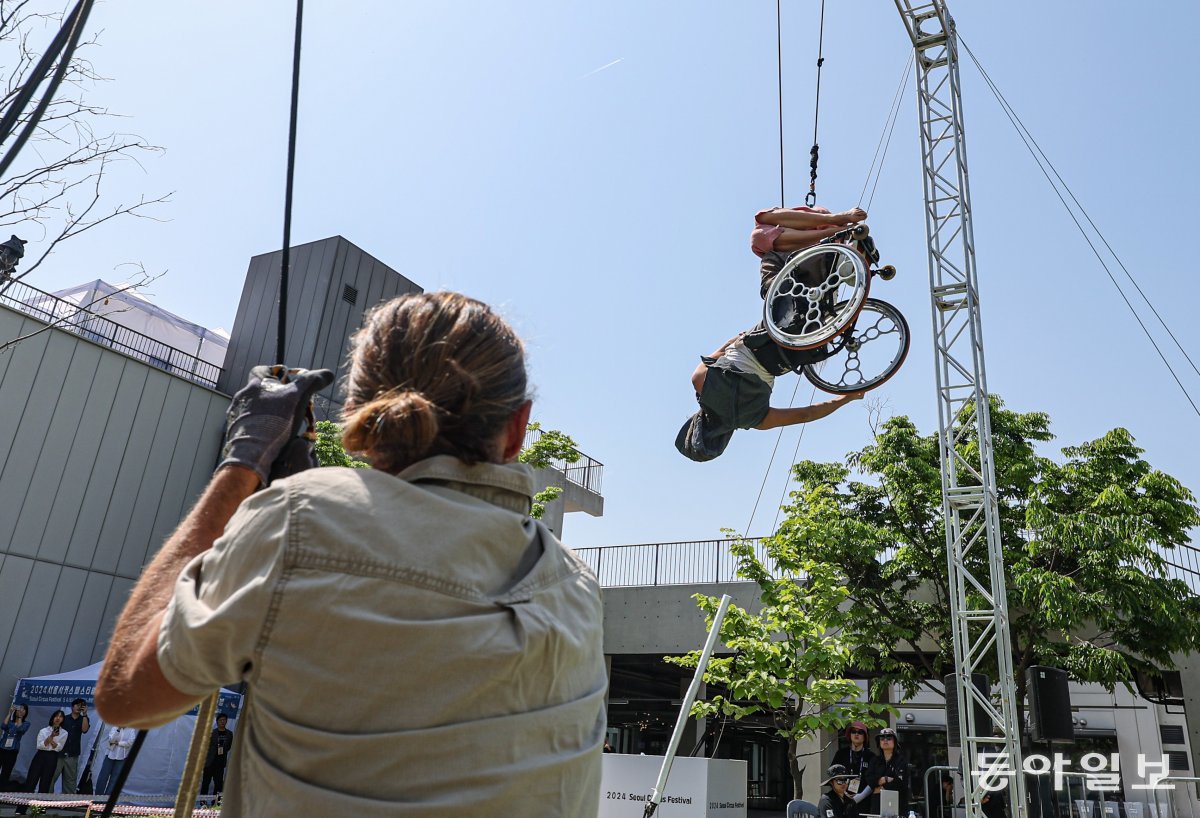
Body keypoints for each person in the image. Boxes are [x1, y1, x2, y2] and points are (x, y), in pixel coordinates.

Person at [95, 292, 608, 817]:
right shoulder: (576, 588)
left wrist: (244, 460)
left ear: (354, 410)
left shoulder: (299, 519)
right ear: (518, 429)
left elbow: (125, 697)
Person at [675, 206, 871, 462]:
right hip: (769, 328)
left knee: (815, 307)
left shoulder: (757, 420)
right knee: (760, 232)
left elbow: (808, 414)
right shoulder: (700, 380)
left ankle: (839, 245)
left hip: (793, 353)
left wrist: (847, 398)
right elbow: (727, 346)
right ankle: (837, 227)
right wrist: (740, 337)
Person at [752, 205, 869, 298]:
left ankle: (838, 227)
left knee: (758, 234)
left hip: (819, 247)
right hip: (810, 264)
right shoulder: (772, 254)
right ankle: (842, 232)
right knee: (759, 237)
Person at [864, 727, 911, 816]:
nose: (885, 740)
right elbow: (870, 780)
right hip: (877, 805)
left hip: (897, 805)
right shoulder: (874, 760)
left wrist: (883, 783)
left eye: (889, 738)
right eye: (882, 738)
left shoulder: (901, 761)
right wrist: (888, 779)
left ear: (895, 742)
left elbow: (900, 783)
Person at [832, 721, 877, 802]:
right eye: (853, 732)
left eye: (860, 732)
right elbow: (832, 776)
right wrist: (843, 793)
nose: (856, 734)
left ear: (865, 736)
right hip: (842, 800)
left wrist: (861, 796)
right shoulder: (840, 754)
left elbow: (874, 781)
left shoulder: (871, 756)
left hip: (864, 801)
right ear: (850, 735)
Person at [51, 698, 89, 794]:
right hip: (59, 752)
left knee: (70, 780)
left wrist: (85, 714)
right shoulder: (64, 718)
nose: (78, 707)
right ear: (72, 707)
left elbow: (84, 730)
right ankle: (46, 800)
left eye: (81, 705)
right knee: (51, 776)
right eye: (76, 705)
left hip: (72, 753)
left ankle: (67, 803)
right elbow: (55, 731)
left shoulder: (84, 719)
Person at [25, 711, 66, 795]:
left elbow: (59, 748)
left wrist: (52, 741)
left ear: (63, 719)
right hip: (40, 755)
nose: (58, 718)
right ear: (52, 718)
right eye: (56, 716)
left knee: (45, 782)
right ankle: (23, 805)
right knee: (32, 779)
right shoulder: (43, 731)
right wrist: (51, 736)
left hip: (52, 756)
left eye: (60, 717)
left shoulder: (64, 733)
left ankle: (39, 807)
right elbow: (39, 746)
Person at [94, 724, 137, 796]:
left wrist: (118, 743)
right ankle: (98, 797)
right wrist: (118, 729)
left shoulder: (131, 729)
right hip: (110, 755)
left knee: (114, 779)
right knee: (103, 777)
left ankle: (107, 798)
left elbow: (130, 742)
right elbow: (111, 739)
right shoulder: (115, 727)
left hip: (121, 757)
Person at [200, 714, 233, 797]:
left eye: (224, 720)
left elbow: (228, 747)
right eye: (220, 720)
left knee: (219, 785)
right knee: (205, 783)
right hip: (209, 763)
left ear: (226, 721)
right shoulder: (211, 733)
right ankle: (203, 803)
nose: (222, 721)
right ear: (217, 721)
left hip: (220, 764)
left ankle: (216, 804)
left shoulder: (229, 734)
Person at [0, 704, 31, 787]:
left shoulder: (26, 723)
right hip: (2, 747)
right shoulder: (10, 721)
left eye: (24, 710)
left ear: (26, 712)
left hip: (13, 750)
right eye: (20, 708)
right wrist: (10, 713)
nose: (21, 710)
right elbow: (3, 726)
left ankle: (2, 790)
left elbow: (21, 729)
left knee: (6, 771)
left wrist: (20, 717)